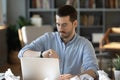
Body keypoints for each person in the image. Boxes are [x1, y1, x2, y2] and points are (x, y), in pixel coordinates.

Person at [18, 5, 99, 80]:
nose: (60, 29)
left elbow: (93, 71)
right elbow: (22, 53)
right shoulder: (48, 38)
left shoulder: (85, 44)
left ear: (75, 23)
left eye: (64, 25)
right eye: (58, 24)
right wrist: (41, 54)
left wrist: (74, 77)